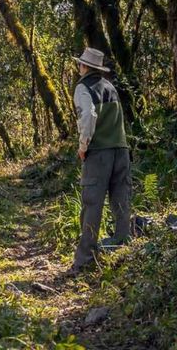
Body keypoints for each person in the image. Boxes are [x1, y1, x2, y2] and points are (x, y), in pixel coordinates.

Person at [70, 47, 131, 275]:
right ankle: (123, 249)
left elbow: (88, 116)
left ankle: (85, 259)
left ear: (84, 66)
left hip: (99, 152)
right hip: (121, 150)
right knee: (121, 200)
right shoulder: (110, 86)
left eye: (80, 64)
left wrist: (83, 146)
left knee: (92, 204)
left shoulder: (83, 87)